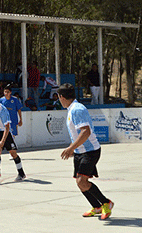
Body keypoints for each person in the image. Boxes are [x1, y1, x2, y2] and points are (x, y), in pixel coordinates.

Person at [57, 83, 114, 220]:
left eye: (59, 97)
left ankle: (106, 203)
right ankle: (97, 207)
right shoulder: (72, 109)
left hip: (90, 150)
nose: (59, 100)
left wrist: (70, 148)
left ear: (62, 97)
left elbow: (86, 132)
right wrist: (74, 149)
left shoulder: (77, 109)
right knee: (80, 182)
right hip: (80, 151)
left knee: (82, 181)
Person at [0, 92, 26, 181]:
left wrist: (3, 141)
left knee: (13, 153)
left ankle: (21, 173)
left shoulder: (3, 111)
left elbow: (7, 127)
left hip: (6, 132)